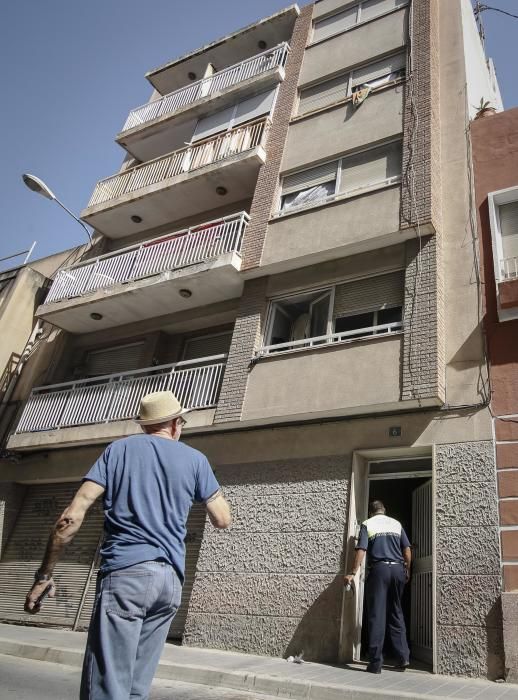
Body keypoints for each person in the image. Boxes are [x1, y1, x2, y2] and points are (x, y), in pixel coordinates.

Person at [24, 390, 232, 699]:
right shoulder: (196, 460)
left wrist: (44, 575)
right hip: (170, 583)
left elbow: (70, 518)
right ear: (175, 424)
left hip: (126, 576)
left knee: (108, 687)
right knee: (136, 687)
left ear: (144, 425)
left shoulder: (117, 451)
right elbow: (222, 518)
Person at [344, 500, 411, 674]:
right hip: (397, 569)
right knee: (396, 611)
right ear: (384, 510)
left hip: (379, 570)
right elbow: (407, 550)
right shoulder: (396, 523)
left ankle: (375, 663)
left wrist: (353, 572)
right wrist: (407, 568)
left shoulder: (367, 524)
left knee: (377, 614)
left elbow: (362, 550)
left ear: (371, 512)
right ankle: (403, 657)